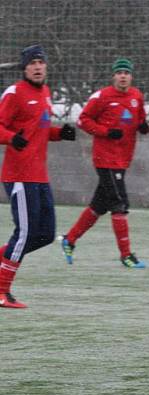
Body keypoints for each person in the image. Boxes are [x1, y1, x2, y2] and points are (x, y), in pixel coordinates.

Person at [0, 44, 76, 309]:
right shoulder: (14, 93)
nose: (37, 67)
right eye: (32, 63)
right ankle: (1, 291)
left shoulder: (45, 92)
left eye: (41, 62)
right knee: (25, 232)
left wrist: (58, 134)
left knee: (44, 234)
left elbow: (38, 131)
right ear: (24, 67)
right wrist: (11, 138)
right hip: (19, 174)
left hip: (39, 176)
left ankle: (2, 262)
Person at [61, 58, 149, 268]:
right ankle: (126, 255)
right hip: (105, 158)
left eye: (126, 73)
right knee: (119, 204)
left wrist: (143, 126)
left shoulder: (137, 96)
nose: (123, 76)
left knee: (99, 206)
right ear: (113, 76)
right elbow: (83, 120)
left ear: (131, 76)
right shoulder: (102, 97)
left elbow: (139, 119)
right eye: (119, 73)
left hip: (122, 159)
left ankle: (69, 240)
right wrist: (106, 132)